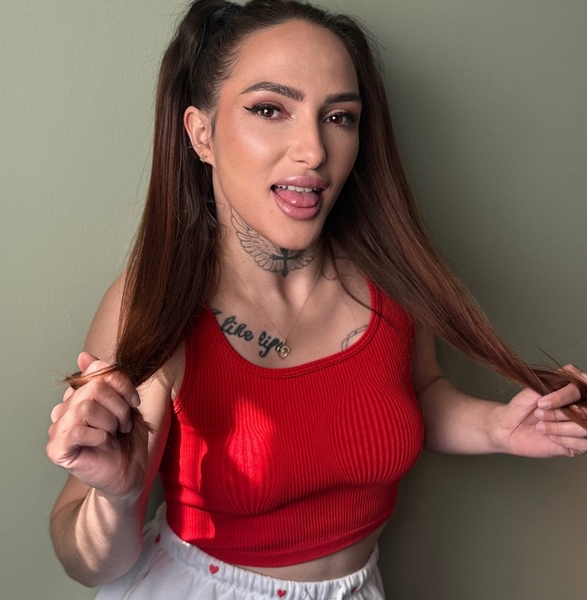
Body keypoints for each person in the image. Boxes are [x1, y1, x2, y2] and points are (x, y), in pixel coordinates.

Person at [46, 1, 587, 598]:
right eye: (269, 109)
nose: (314, 150)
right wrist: (117, 498)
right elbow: (85, 563)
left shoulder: (393, 280)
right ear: (201, 133)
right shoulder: (153, 302)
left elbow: (418, 392)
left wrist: (499, 426)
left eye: (339, 117)